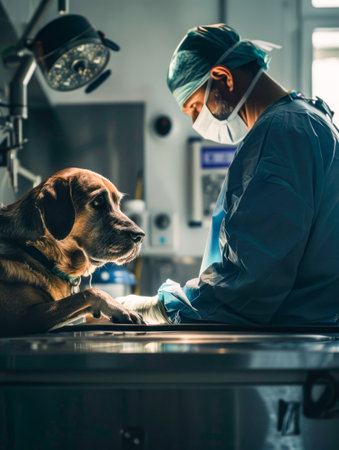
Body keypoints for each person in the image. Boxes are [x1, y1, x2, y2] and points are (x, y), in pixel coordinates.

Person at [119, 23, 339, 326]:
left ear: (222, 77)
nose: (197, 121)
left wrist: (160, 307)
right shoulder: (308, 120)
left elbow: (251, 283)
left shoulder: (281, 133)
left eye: (196, 107)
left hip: (292, 339)